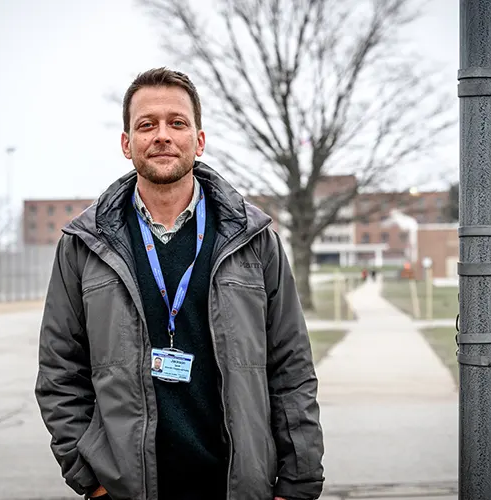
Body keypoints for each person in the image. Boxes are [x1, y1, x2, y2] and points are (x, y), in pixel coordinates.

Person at [35, 67, 324, 500]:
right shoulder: (85, 245)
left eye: (177, 123)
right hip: (128, 488)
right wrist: (91, 481)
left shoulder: (254, 239)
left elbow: (292, 369)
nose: (162, 135)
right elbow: (59, 374)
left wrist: (297, 481)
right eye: (146, 125)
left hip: (236, 484)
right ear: (126, 143)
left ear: (199, 140)